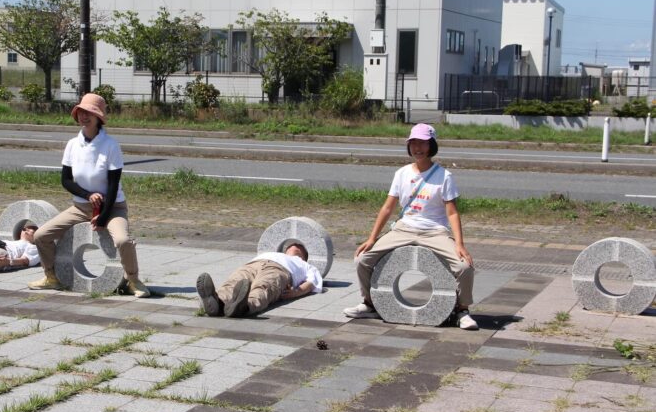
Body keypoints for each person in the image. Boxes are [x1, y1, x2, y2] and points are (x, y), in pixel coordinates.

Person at [344, 123, 478, 330]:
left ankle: (462, 310)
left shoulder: (444, 176)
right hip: (403, 228)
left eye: (423, 143)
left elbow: (452, 212)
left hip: (434, 231)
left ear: (432, 145)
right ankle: (369, 304)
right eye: (413, 143)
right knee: (362, 259)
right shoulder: (402, 173)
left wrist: (460, 244)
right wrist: (371, 238)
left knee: (464, 267)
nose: (418, 148)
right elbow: (387, 208)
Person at [28, 92, 150, 297]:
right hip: (81, 207)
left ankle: (133, 280)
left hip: (112, 207)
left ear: (98, 117)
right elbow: (66, 180)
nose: (84, 116)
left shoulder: (110, 145)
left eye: (89, 113)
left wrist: (103, 216)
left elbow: (113, 185)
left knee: (123, 240)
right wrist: (87, 195)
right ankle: (51, 277)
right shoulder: (72, 144)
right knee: (41, 235)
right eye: (81, 112)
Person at [196, 242, 322, 318]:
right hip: (252, 264)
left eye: (299, 248)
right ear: (285, 250)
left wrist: (296, 292)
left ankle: (245, 306)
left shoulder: (306, 265)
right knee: (233, 282)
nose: (294, 246)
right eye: (291, 246)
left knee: (263, 287)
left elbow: (311, 283)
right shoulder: (275, 253)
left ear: (304, 256)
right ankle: (217, 302)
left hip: (280, 269)